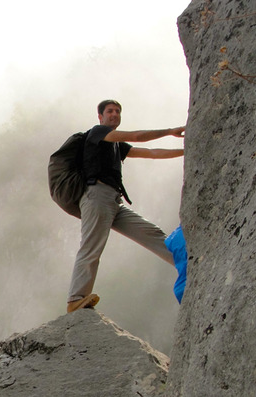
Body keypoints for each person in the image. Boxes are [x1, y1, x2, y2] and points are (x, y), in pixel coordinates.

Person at [67, 99, 185, 313]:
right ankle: (76, 299)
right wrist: (170, 131)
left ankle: (187, 263)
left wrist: (186, 151)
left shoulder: (115, 145)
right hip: (96, 196)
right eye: (110, 111)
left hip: (113, 201)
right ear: (100, 117)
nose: (114, 114)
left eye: (118, 111)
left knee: (151, 233)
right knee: (92, 246)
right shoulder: (98, 133)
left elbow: (151, 153)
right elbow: (138, 136)